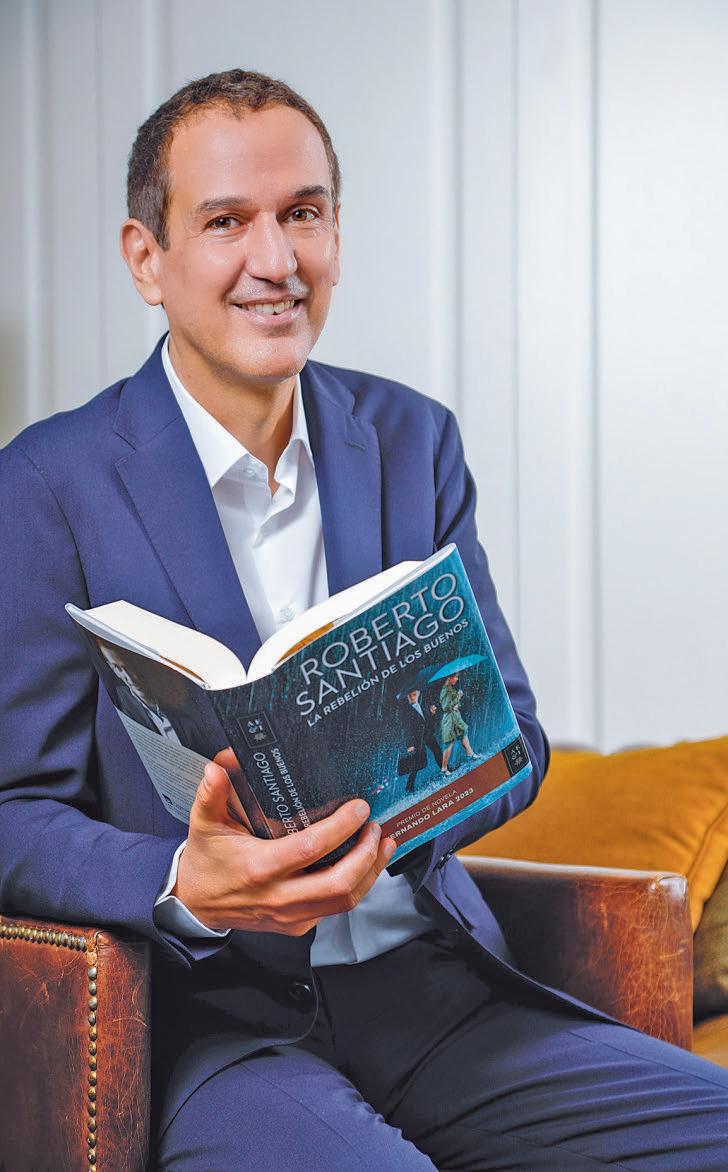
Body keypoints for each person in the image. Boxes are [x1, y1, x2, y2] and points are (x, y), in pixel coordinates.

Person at [1, 68, 728, 1170]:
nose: (275, 260)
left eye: (302, 213)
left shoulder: (411, 441)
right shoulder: (46, 483)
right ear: (146, 258)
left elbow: (515, 739)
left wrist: (391, 819)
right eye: (226, 222)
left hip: (437, 993)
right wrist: (183, 884)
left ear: (335, 233)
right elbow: (13, 811)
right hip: (217, 1025)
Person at [399, 686, 442, 793]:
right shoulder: (407, 712)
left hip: (427, 734)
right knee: (418, 762)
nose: (412, 697)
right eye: (410, 696)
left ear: (418, 694)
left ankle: (444, 768)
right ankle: (409, 786)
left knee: (437, 751)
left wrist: (432, 714)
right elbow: (407, 729)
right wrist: (410, 744)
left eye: (414, 695)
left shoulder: (422, 705)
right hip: (417, 739)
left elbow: (426, 720)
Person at [439, 671, 479, 773]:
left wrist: (457, 701)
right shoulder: (445, 690)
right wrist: (458, 697)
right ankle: (444, 768)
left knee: (463, 733)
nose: (457, 679)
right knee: (449, 742)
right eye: (456, 677)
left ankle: (470, 753)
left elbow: (454, 704)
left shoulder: (450, 689)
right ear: (449, 677)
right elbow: (445, 707)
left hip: (455, 717)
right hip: (449, 719)